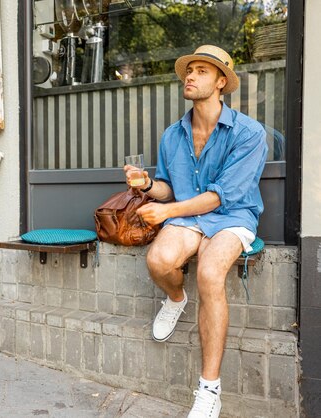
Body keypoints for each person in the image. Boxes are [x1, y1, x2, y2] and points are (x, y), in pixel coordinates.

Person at [124, 45, 267, 418]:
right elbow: (169, 187)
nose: (191, 76)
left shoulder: (249, 133)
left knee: (208, 271)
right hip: (189, 216)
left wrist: (167, 211)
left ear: (221, 82)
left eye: (202, 71)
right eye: (190, 70)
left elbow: (221, 197)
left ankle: (209, 389)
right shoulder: (173, 135)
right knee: (158, 260)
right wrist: (145, 186)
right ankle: (175, 299)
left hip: (232, 217)